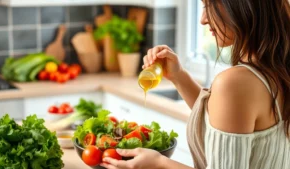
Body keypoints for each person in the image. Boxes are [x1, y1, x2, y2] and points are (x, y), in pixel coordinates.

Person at [101, 0, 290, 168]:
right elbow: (221, 119)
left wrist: (160, 163)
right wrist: (178, 76)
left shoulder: (235, 83)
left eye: (209, 5)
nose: (203, 19)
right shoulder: (276, 70)